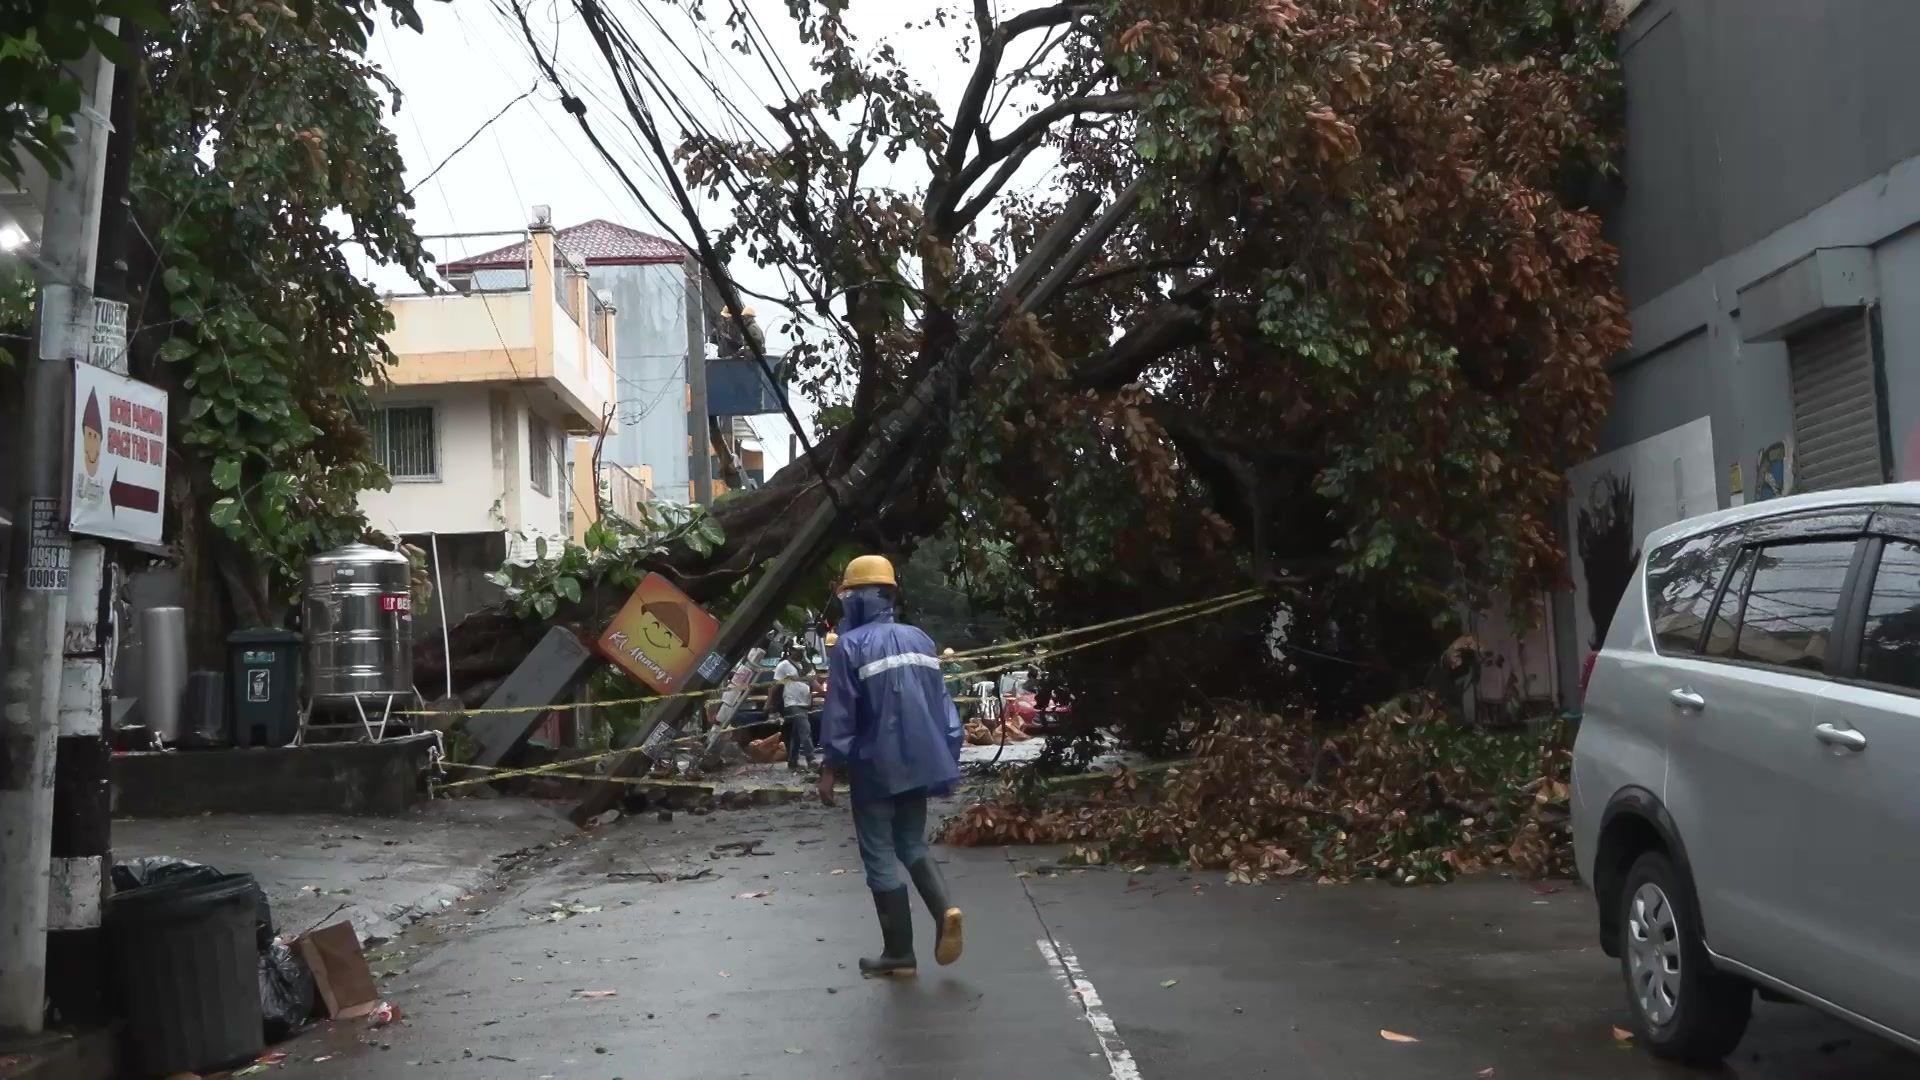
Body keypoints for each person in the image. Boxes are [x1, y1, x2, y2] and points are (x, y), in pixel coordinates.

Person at [818, 555, 964, 977]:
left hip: (875, 767)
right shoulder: (920, 639)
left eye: (848, 594)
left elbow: (841, 714)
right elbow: (945, 709)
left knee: (880, 852)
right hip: (921, 763)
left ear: (860, 597)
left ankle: (900, 953)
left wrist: (830, 767)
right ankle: (945, 909)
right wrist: (946, 758)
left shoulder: (850, 645)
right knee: (912, 843)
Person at [772, 645, 816, 770]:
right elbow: (775, 686)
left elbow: (814, 683)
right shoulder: (784, 665)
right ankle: (811, 759)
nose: (800, 652)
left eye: (802, 649)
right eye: (797, 649)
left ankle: (792, 761)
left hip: (804, 703)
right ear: (791, 650)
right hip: (792, 703)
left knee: (797, 734)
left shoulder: (807, 665)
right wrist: (769, 703)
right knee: (805, 730)